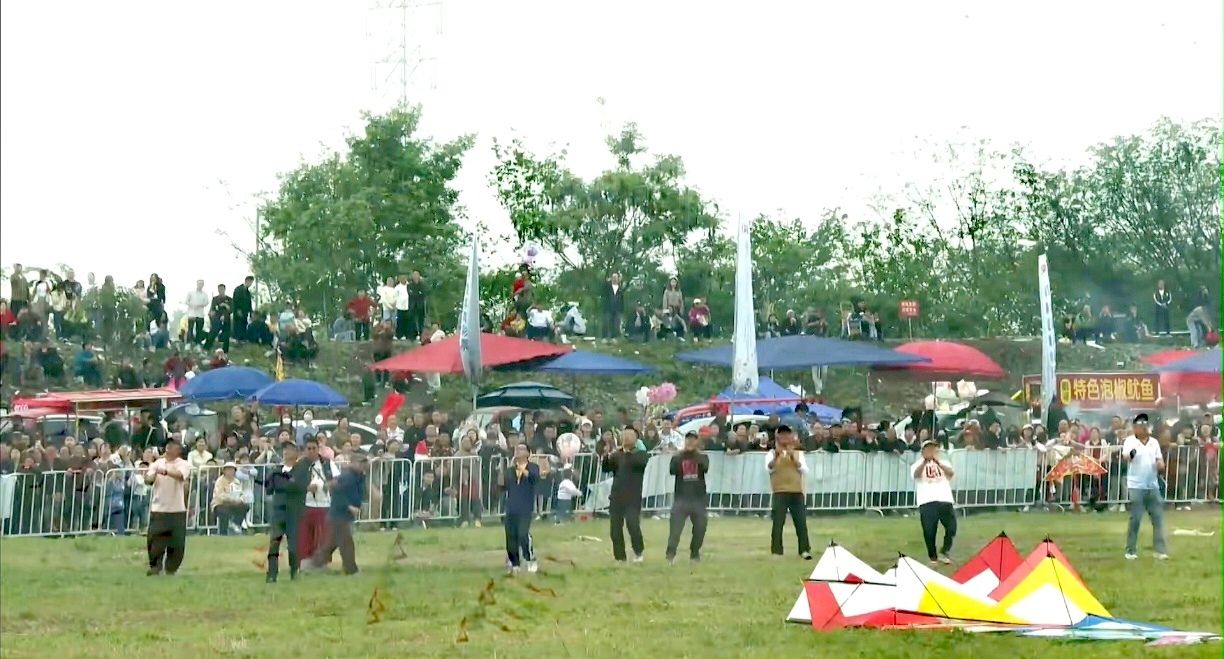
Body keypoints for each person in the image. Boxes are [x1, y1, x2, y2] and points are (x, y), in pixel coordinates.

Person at [310, 455, 367, 575]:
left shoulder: (360, 476)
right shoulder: (347, 476)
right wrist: (348, 506)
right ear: (352, 463)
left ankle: (313, 565)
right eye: (360, 462)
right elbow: (337, 493)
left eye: (364, 463)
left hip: (342, 515)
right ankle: (351, 570)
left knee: (330, 545)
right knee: (346, 543)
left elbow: (359, 492)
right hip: (338, 514)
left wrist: (360, 504)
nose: (363, 465)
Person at [1122, 413, 1168, 560]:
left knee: (1157, 518)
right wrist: (1131, 454)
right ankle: (1130, 550)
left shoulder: (1154, 442)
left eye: (1145, 425)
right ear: (1135, 428)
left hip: (1152, 484)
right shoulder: (1130, 441)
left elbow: (1160, 459)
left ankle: (1160, 550)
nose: (1144, 428)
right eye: (1140, 425)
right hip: (1136, 485)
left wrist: (1160, 464)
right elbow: (1126, 456)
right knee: (1135, 519)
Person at [264, 443, 312, 582]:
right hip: (278, 511)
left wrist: (283, 482)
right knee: (274, 543)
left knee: (294, 544)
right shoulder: (276, 470)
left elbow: (299, 486)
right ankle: (272, 574)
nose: (286, 452)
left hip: (294, 511)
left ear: (296, 453)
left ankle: (294, 571)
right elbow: (269, 488)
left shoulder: (302, 470)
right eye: (284, 450)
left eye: (290, 450)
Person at [601, 427, 649, 563]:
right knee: (615, 529)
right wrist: (606, 456)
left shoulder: (641, 454)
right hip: (616, 496)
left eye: (630, 435)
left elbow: (639, 464)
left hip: (633, 496)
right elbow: (607, 468)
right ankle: (620, 557)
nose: (626, 438)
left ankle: (638, 551)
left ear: (636, 438)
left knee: (633, 525)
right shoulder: (617, 455)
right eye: (624, 435)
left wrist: (627, 452)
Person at [144, 441, 191, 576]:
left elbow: (181, 475)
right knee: (155, 540)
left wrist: (165, 472)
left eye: (172, 447)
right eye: (167, 447)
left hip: (177, 509)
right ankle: (155, 566)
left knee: (177, 543)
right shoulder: (157, 463)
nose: (169, 449)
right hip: (159, 508)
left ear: (178, 450)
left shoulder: (183, 464)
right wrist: (151, 477)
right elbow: (148, 479)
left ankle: (171, 568)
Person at [766, 424, 812, 560]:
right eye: (782, 434)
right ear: (777, 437)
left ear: (792, 436)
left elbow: (804, 470)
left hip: (796, 491)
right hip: (780, 491)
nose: (785, 437)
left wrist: (793, 458)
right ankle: (777, 551)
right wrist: (776, 457)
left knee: (801, 522)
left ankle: (804, 550)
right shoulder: (771, 453)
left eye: (787, 434)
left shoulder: (798, 453)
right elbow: (769, 469)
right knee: (778, 522)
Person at [665, 431, 709, 565]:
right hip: (681, 498)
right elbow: (672, 470)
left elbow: (705, 467)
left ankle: (694, 553)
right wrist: (682, 454)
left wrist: (694, 454)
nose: (690, 442)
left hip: (698, 499)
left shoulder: (702, 457)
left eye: (693, 440)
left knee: (700, 528)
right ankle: (670, 554)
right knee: (675, 530)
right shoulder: (678, 457)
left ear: (697, 441)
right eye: (688, 439)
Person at [911, 439, 957, 565]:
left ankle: (945, 550)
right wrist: (925, 461)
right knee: (929, 531)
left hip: (944, 498)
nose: (931, 451)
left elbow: (951, 473)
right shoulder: (917, 464)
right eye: (928, 449)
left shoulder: (944, 462)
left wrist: (937, 462)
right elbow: (916, 475)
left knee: (952, 527)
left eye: (933, 449)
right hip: (927, 500)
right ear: (923, 451)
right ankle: (933, 556)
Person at [501, 442, 540, 575]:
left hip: (525, 507)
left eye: (522, 449)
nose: (518, 451)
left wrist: (522, 469)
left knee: (523, 534)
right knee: (510, 536)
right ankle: (515, 563)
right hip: (511, 506)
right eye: (517, 449)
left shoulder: (533, 467)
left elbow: (534, 479)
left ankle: (530, 559)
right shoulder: (510, 470)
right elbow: (503, 486)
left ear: (528, 453)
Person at [299, 439, 338, 561]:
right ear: (305, 450)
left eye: (314, 448)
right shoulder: (300, 465)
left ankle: (322, 559)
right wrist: (306, 487)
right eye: (309, 449)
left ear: (318, 449)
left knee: (323, 535)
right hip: (306, 504)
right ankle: (306, 560)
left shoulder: (327, 463)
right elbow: (294, 483)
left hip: (325, 503)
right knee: (306, 535)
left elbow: (337, 479)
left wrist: (330, 484)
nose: (311, 451)